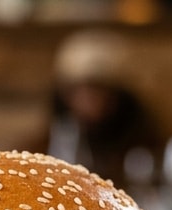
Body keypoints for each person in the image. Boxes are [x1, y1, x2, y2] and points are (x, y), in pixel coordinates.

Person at [42, 30, 158, 191]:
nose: (90, 100)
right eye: (80, 90)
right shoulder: (46, 145)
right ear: (65, 94)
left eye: (98, 89)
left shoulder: (144, 144)